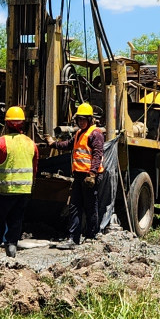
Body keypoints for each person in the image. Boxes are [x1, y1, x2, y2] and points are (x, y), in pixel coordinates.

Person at [0, 105, 37, 263]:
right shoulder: (31, 143)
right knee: (15, 223)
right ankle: (11, 258)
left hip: (1, 191)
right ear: (23, 124)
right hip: (22, 192)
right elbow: (34, 169)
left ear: (6, 124)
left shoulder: (0, 143)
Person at [67, 102, 105, 247]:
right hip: (79, 175)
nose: (81, 122)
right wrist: (53, 143)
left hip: (89, 177)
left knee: (90, 207)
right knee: (74, 206)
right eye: (79, 119)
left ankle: (91, 236)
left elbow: (97, 155)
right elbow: (68, 144)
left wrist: (92, 174)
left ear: (89, 119)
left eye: (84, 119)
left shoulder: (95, 134)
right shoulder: (79, 134)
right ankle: (73, 239)